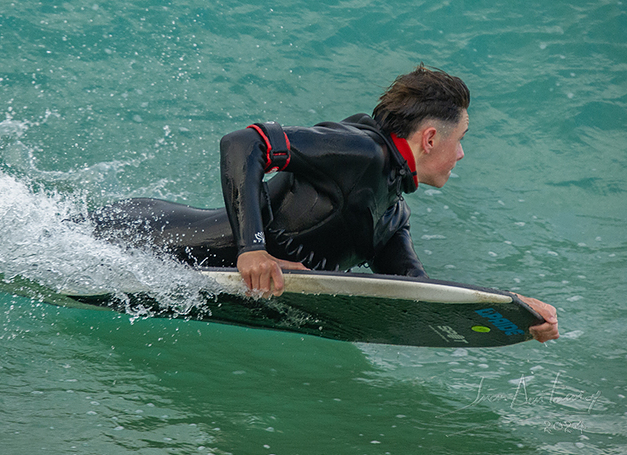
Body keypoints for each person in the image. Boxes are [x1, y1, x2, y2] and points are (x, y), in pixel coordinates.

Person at [89, 65, 559, 343]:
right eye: (461, 139)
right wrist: (252, 249)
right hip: (136, 236)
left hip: (172, 263)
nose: (461, 155)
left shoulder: (391, 215)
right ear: (431, 137)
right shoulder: (359, 151)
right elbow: (244, 143)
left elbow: (415, 293)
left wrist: (515, 312)